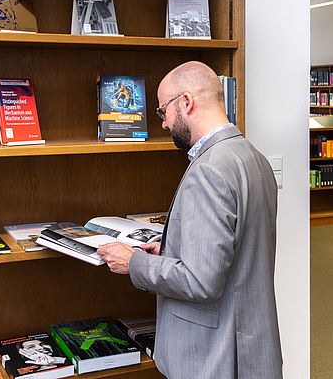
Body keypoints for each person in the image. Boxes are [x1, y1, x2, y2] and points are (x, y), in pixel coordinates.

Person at [96, 61, 282, 379]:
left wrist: (133, 263)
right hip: (251, 347)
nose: (165, 124)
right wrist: (169, 248)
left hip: (215, 356)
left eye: (163, 111)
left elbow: (200, 282)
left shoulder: (209, 170)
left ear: (186, 102)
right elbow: (235, 253)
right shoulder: (254, 157)